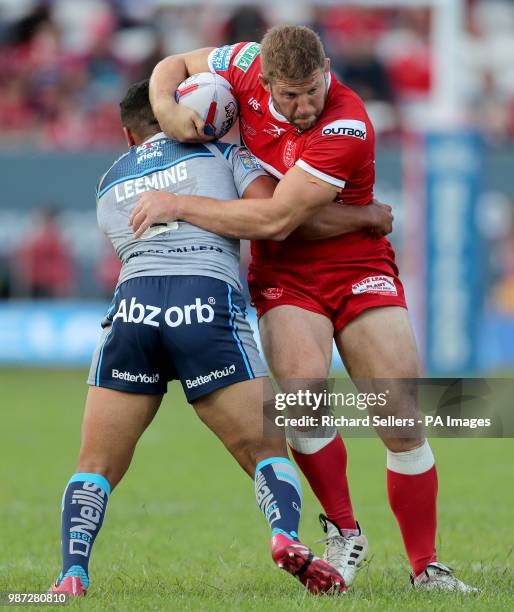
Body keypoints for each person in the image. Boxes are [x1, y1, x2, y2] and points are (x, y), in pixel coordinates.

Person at [143, 25, 478, 592]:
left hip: (357, 267)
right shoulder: (244, 61)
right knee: (300, 404)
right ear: (264, 79)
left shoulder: (347, 122)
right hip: (285, 274)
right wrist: (167, 112)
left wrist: (179, 204)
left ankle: (427, 568)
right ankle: (345, 534)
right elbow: (172, 64)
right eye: (289, 95)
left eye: (312, 91)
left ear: (326, 70)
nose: (302, 106)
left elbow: (278, 218)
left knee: (399, 417)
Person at [49, 79, 393, 597]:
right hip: (203, 301)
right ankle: (285, 539)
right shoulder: (227, 154)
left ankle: (72, 573)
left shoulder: (108, 179)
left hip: (133, 309)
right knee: (266, 448)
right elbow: (285, 220)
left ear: (127, 134)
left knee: (95, 464)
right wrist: (365, 215)